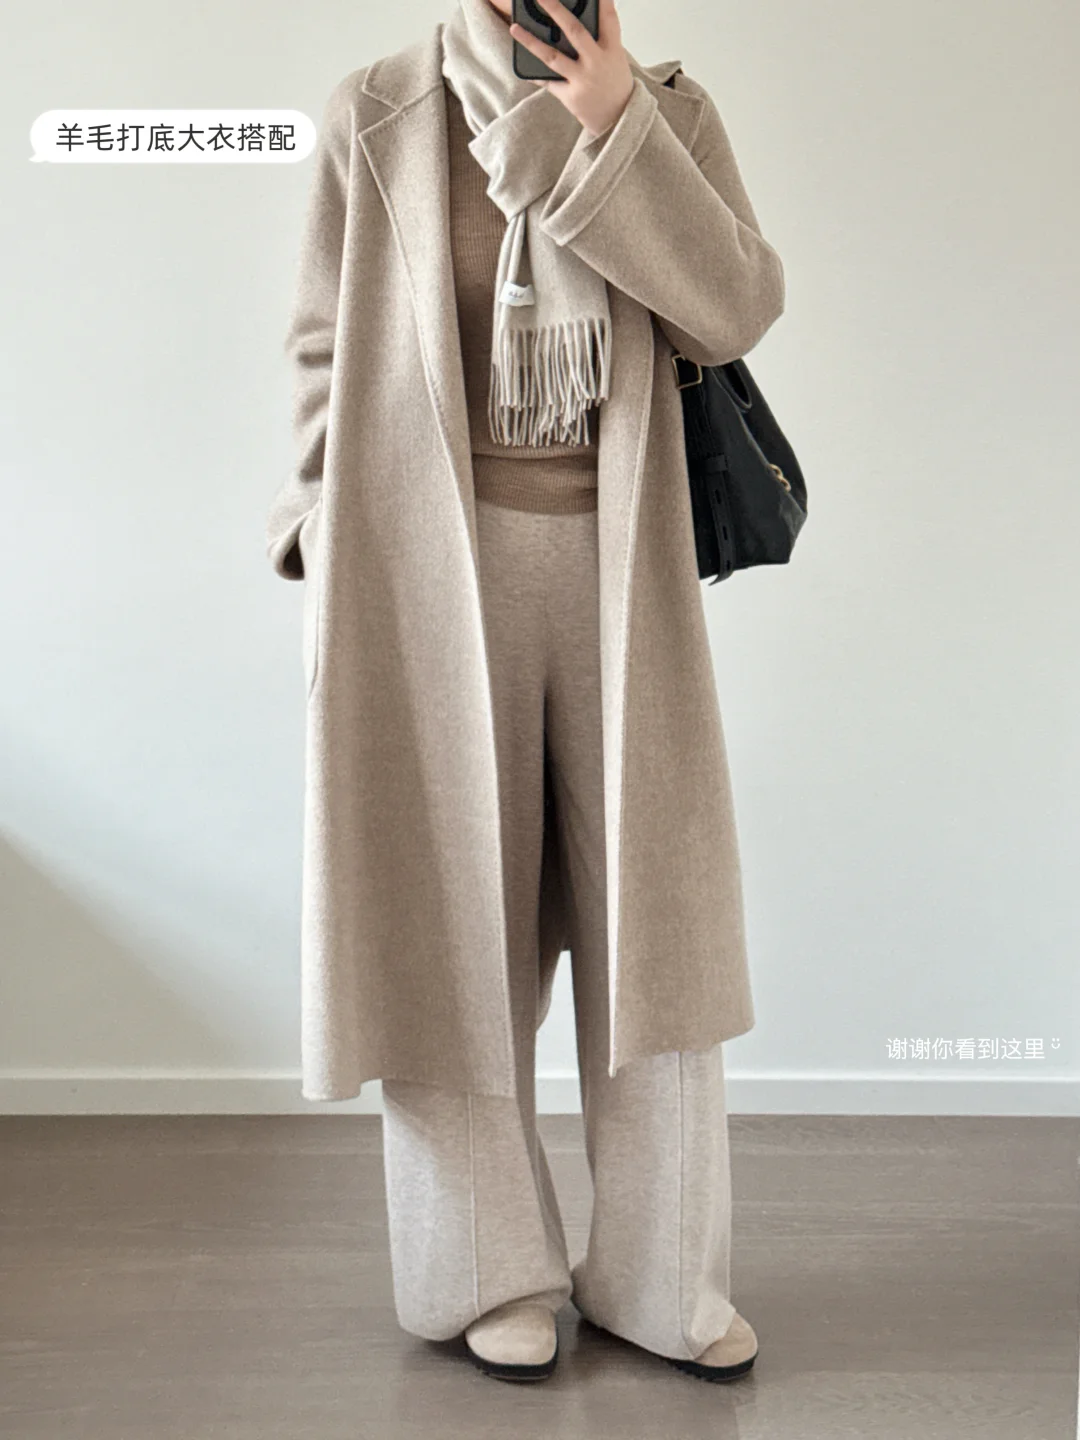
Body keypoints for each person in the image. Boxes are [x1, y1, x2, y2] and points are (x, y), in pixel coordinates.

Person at [266, 0, 785, 1387]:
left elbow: (735, 305)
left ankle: (663, 1281)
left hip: (620, 564)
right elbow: (322, 344)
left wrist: (611, 129)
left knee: (653, 931)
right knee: (445, 925)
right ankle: (484, 1269)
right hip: (421, 570)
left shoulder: (667, 110)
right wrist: (314, 527)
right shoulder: (376, 111)